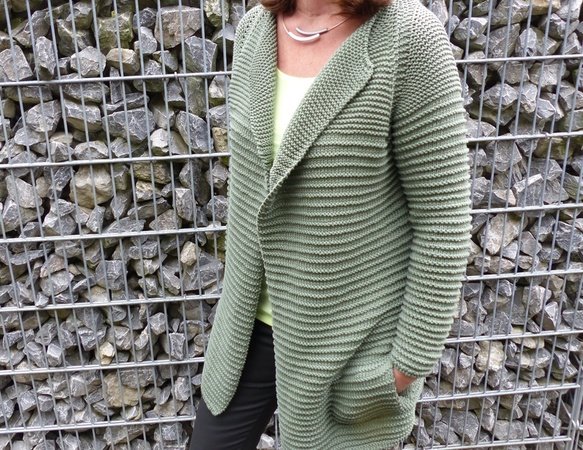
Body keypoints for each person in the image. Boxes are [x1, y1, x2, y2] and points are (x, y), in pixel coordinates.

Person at [189, 0, 472, 448]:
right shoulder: (255, 31)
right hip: (248, 330)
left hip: (347, 346)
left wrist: (404, 367)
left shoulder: (409, 37)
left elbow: (443, 220)